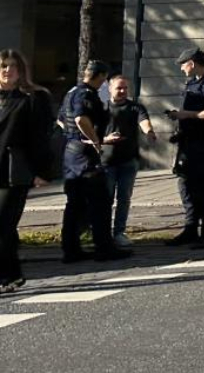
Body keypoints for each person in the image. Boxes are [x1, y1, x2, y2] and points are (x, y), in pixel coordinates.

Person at [60, 60, 131, 263]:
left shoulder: (71, 92)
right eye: (104, 78)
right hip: (84, 154)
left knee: (75, 204)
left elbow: (61, 120)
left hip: (72, 152)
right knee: (100, 202)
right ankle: (104, 248)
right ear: (100, 76)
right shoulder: (85, 94)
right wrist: (96, 141)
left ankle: (71, 249)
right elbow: (81, 119)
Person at [0, 50, 55, 293]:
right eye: (2, 65)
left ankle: (4, 276)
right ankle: (12, 274)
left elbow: (41, 137)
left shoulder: (33, 97)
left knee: (2, 223)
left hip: (15, 169)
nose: (7, 70)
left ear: (21, 70)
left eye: (12, 66)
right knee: (5, 228)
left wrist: (41, 171)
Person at [166, 48, 204, 249]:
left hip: (202, 143)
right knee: (184, 184)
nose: (182, 69)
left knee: (200, 186)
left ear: (191, 63)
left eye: (183, 64)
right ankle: (190, 228)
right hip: (187, 142)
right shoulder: (191, 83)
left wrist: (187, 115)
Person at [102, 74, 157, 248]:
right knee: (106, 198)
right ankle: (102, 232)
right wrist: (105, 139)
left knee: (124, 198)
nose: (123, 91)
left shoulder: (135, 108)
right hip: (106, 161)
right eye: (119, 88)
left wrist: (149, 132)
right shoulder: (102, 108)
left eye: (125, 88)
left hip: (128, 161)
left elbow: (144, 121)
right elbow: (92, 133)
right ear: (110, 89)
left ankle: (119, 232)